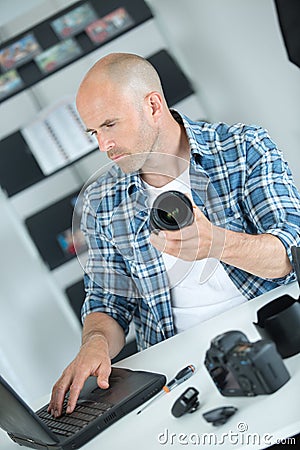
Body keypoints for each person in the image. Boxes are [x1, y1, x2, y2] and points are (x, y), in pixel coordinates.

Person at [48, 52, 300, 417]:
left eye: (110, 125)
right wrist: (96, 342)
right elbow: (109, 303)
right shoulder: (100, 203)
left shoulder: (243, 147)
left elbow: (290, 252)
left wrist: (217, 242)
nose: (103, 146)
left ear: (153, 105)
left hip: (276, 337)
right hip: (184, 371)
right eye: (94, 133)